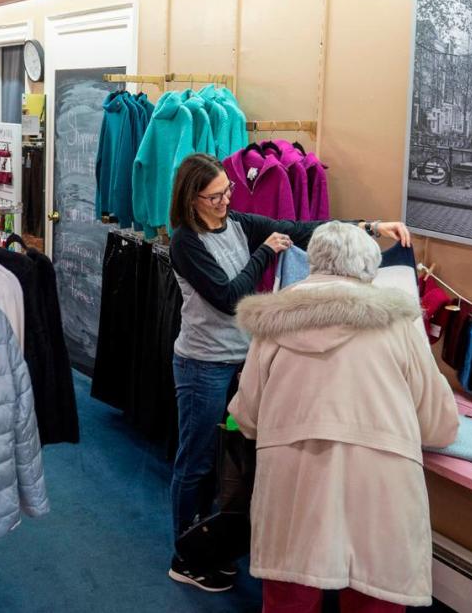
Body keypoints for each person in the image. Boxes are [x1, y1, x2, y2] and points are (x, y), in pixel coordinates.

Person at [166, 153, 412, 592]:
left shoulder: (236, 221)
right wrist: (265, 252)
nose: (225, 200)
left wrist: (372, 227)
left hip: (240, 358)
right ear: (191, 199)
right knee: (197, 461)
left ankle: (211, 544)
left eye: (227, 191)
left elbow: (302, 230)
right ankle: (185, 555)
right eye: (215, 195)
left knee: (235, 461)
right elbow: (228, 297)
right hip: (202, 365)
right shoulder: (185, 242)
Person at [228, 221, 459, 612]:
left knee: (290, 596)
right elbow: (439, 424)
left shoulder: (271, 324)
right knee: (373, 597)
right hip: (379, 483)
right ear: (369, 269)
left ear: (313, 262)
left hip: (293, 481)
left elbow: (246, 416)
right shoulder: (399, 322)